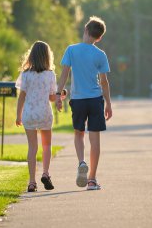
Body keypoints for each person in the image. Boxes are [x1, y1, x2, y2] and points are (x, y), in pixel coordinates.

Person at [56, 16, 112, 190]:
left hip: (78, 100)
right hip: (95, 100)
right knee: (94, 139)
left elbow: (64, 74)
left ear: (86, 30)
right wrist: (108, 104)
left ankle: (81, 162)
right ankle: (92, 180)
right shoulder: (100, 54)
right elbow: (104, 82)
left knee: (78, 134)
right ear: (99, 37)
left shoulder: (71, 50)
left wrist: (58, 94)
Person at [16, 41, 65, 192]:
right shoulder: (49, 75)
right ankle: (45, 173)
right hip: (44, 113)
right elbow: (51, 97)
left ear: (31, 56)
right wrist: (60, 97)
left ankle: (32, 182)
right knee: (46, 146)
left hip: (29, 114)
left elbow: (21, 97)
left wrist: (18, 116)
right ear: (46, 56)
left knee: (32, 147)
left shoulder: (26, 75)